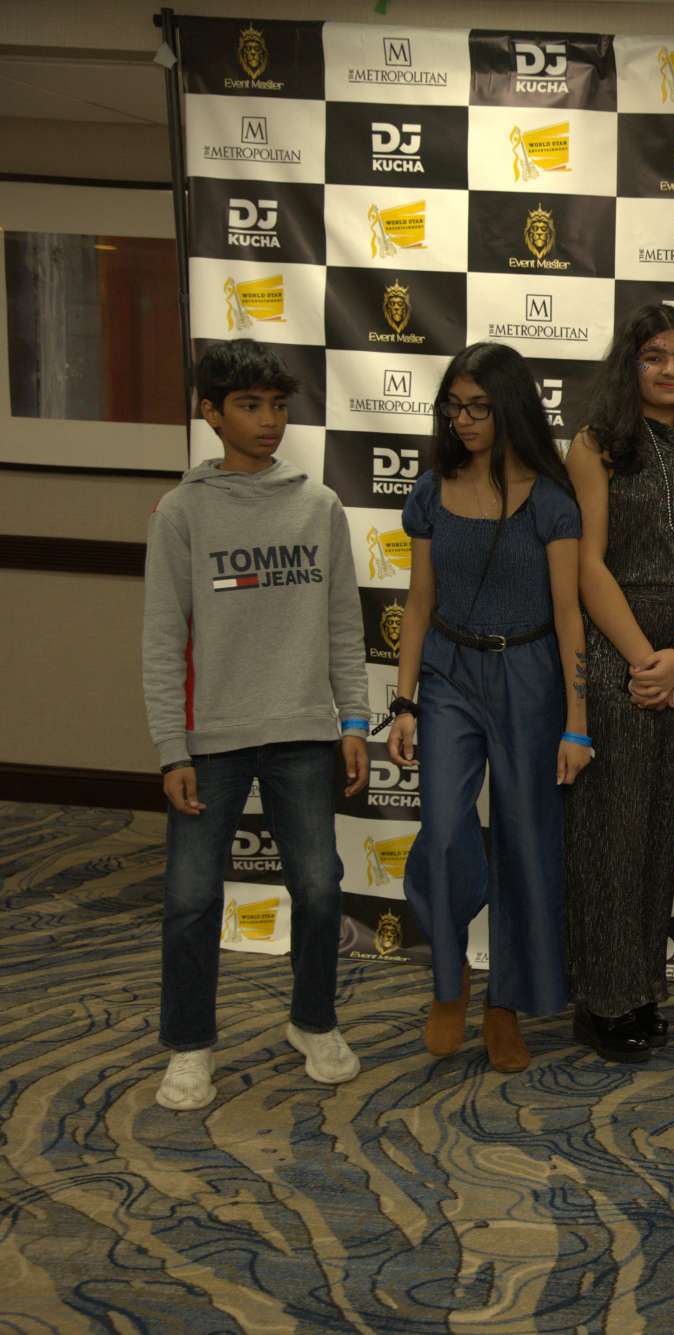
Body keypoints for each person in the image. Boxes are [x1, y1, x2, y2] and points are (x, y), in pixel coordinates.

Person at [140, 338, 369, 1111]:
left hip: (303, 731)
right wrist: (171, 748)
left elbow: (343, 624)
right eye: (248, 405)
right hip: (210, 740)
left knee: (321, 887)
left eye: (276, 405)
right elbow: (163, 640)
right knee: (190, 898)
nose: (268, 420)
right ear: (211, 413)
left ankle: (313, 1020)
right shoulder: (181, 513)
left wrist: (354, 718)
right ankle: (190, 1045)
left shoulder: (319, 505)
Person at [385, 342, 590, 1073]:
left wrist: (577, 722)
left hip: (530, 674)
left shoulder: (552, 502)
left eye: (478, 406)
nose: (463, 420)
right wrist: (403, 700)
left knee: (525, 844)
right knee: (443, 832)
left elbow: (569, 616)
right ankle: (450, 979)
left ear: (511, 409)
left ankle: (504, 1005)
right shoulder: (429, 493)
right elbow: (417, 603)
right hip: (449, 673)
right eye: (454, 407)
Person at [562, 305, 674, 1062]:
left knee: (660, 827)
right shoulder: (596, 444)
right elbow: (588, 565)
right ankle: (602, 1000)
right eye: (654, 356)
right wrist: (643, 660)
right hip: (616, 653)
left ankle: (640, 989)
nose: (670, 369)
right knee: (612, 831)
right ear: (628, 365)